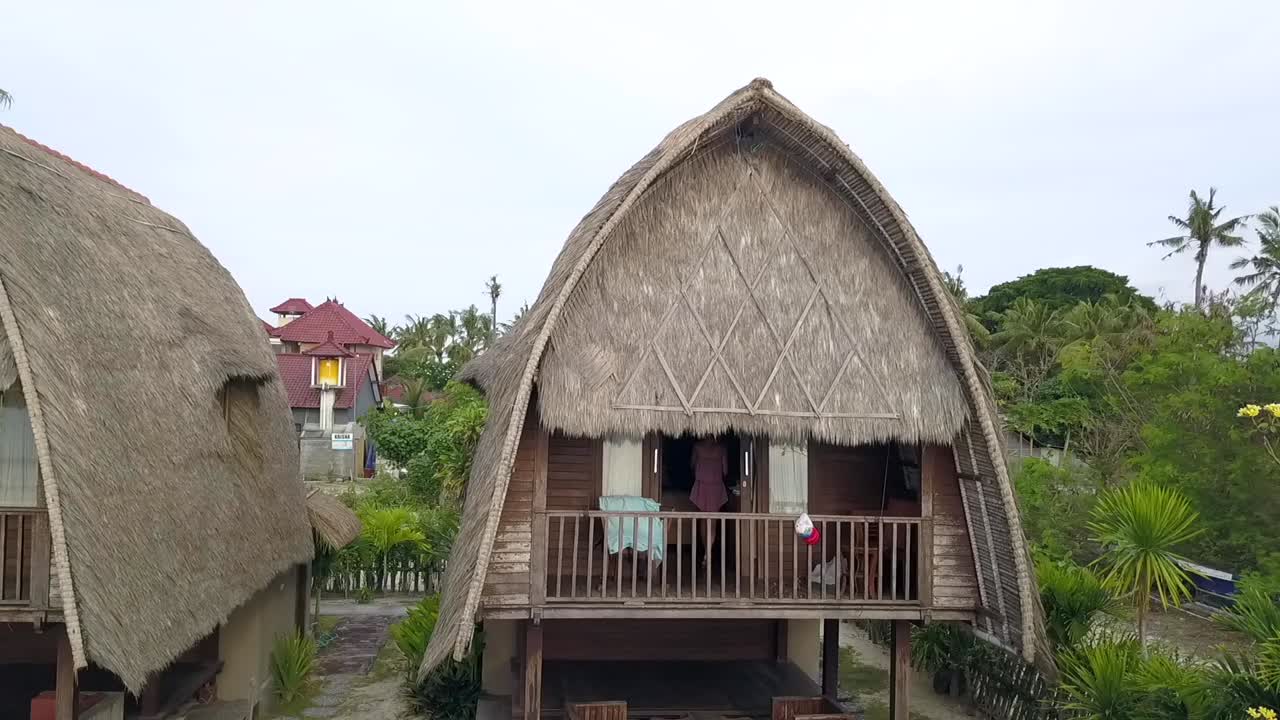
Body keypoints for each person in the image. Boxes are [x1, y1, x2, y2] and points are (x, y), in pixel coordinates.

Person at [689, 436, 728, 567]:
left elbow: (692, 465)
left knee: (703, 520)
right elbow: (725, 470)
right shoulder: (721, 448)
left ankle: (706, 552)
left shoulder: (697, 447)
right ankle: (708, 553)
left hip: (702, 485)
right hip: (716, 486)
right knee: (713, 522)